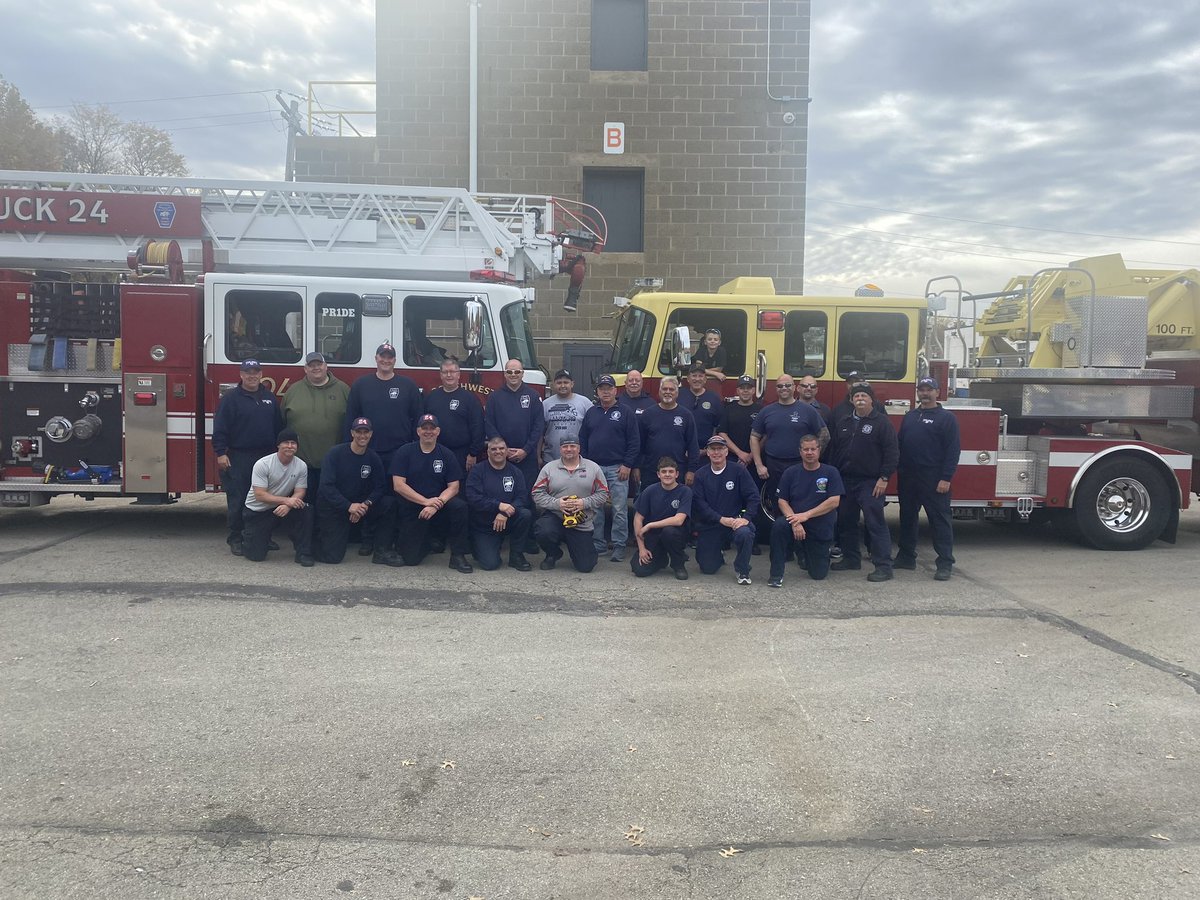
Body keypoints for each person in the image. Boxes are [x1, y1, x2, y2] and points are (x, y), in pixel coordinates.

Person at [212, 358, 284, 556]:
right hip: (239, 456)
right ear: (241, 375)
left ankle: (263, 536)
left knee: (265, 500)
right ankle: (236, 538)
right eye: (248, 372)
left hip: (266, 457)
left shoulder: (269, 397)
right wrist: (220, 453)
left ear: (261, 374)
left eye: (256, 372)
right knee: (238, 499)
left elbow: (279, 428)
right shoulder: (231, 398)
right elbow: (220, 429)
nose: (252, 376)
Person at [830, 383, 899, 582]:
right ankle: (851, 559)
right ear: (851, 400)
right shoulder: (843, 421)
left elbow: (892, 452)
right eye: (856, 395)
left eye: (864, 395)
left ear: (871, 400)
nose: (860, 398)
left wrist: (884, 478)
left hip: (871, 482)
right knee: (846, 522)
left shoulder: (882, 423)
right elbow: (835, 450)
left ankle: (884, 566)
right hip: (845, 480)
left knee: (874, 523)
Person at [895, 376, 961, 581]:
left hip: (934, 479)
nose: (924, 393)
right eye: (921, 389)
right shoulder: (910, 416)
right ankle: (906, 557)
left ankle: (944, 563)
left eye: (929, 390)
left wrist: (946, 478)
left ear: (937, 393)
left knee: (939, 521)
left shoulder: (946, 418)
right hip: (908, 477)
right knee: (907, 518)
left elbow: (952, 450)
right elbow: (900, 444)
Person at [390, 413, 473, 572]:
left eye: (432, 428)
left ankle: (457, 556)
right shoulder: (405, 452)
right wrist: (424, 502)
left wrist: (437, 503)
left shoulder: (446, 454)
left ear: (438, 431)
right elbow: (398, 485)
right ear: (418, 431)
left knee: (460, 507)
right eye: (424, 428)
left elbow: (454, 486)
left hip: (438, 505)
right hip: (413, 506)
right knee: (411, 559)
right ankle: (426, 541)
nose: (428, 431)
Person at [316, 417, 401, 567]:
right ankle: (304, 544)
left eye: (366, 432)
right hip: (335, 507)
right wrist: (348, 506)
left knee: (389, 503)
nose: (362, 435)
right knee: (333, 557)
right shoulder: (335, 453)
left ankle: (381, 551)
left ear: (371, 434)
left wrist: (365, 504)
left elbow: (380, 487)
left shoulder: (373, 457)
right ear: (352, 433)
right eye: (359, 432)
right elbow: (326, 486)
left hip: (360, 506)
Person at [768, 434, 844, 587]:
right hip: (795, 522)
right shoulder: (790, 472)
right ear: (800, 452)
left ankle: (811, 552)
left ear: (819, 450)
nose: (809, 452)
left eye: (813, 449)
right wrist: (795, 521)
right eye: (806, 449)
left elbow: (834, 501)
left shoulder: (830, 472)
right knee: (779, 526)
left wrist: (805, 515)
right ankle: (776, 575)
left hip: (819, 524)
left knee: (818, 574)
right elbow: (782, 501)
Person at [579, 374, 640, 562]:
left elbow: (634, 441)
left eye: (609, 388)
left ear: (615, 390)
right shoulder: (591, 412)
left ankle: (619, 545)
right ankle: (598, 545)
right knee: (595, 509)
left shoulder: (626, 411)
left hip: (618, 469)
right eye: (601, 388)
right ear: (597, 392)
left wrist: (628, 464)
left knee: (619, 509)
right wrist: (586, 465)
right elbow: (583, 440)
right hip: (594, 469)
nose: (605, 391)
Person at [281, 351, 350, 515]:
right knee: (303, 504)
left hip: (334, 464)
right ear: (305, 369)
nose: (316, 368)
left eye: (319, 364)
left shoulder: (343, 389)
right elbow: (282, 423)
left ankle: (325, 537)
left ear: (326, 366)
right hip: (301, 463)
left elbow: (351, 424)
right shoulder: (293, 391)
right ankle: (305, 538)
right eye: (311, 365)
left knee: (330, 504)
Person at [531, 432, 610, 572]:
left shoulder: (593, 468)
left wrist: (583, 503)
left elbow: (604, 493)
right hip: (555, 517)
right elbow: (536, 493)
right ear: (560, 449)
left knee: (586, 566)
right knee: (543, 529)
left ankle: (577, 550)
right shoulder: (549, 468)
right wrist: (557, 504)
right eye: (565, 446)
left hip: (581, 521)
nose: (569, 449)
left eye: (572, 446)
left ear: (579, 448)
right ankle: (553, 553)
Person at [750, 374, 829, 504]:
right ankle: (779, 524)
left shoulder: (808, 410)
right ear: (776, 389)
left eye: (787, 385)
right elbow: (754, 436)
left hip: (800, 464)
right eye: (780, 386)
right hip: (774, 465)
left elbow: (825, 435)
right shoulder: (766, 411)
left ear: (794, 387)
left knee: (801, 500)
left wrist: (813, 458)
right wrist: (759, 465)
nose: (784, 388)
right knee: (777, 501)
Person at [241, 428, 314, 566]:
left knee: (306, 510)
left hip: (281, 507)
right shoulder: (263, 464)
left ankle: (303, 553)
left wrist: (288, 505)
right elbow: (260, 495)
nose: (290, 446)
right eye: (286, 442)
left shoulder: (301, 465)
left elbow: (300, 491)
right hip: (258, 510)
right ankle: (251, 538)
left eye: (293, 443)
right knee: (255, 556)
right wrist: (287, 500)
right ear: (278, 445)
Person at [690, 435, 759, 584]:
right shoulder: (701, 475)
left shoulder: (738, 471)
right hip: (711, 523)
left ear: (726, 452)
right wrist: (720, 519)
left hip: (734, 522)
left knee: (745, 533)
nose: (716, 453)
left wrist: (745, 518)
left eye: (720, 449)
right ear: (707, 452)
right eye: (712, 449)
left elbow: (753, 496)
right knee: (707, 568)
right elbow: (700, 504)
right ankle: (717, 555)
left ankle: (742, 569)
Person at [344, 342, 423, 469]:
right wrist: (349, 447)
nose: (386, 360)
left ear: (395, 360)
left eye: (389, 357)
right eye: (382, 357)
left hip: (400, 450)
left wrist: (416, 447)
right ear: (376, 358)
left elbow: (418, 418)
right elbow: (351, 417)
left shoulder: (408, 385)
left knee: (396, 487)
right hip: (367, 449)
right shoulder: (361, 384)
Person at [484, 359, 545, 516]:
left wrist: (525, 450)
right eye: (509, 372)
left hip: (527, 456)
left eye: (517, 372)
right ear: (504, 374)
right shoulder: (494, 397)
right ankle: (502, 530)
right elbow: (489, 424)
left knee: (527, 494)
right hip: (502, 457)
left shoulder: (533, 395)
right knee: (502, 492)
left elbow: (538, 426)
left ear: (522, 373)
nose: (513, 375)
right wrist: (503, 450)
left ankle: (529, 536)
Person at [464, 436, 534, 571]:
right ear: (488, 452)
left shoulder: (515, 472)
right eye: (494, 449)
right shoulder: (478, 471)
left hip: (507, 518)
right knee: (490, 564)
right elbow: (473, 498)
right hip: (484, 525)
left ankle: (516, 556)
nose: (498, 452)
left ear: (507, 451)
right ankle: (480, 546)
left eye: (501, 448)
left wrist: (504, 512)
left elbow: (522, 497)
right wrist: (498, 505)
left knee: (525, 514)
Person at [631, 457, 692, 580]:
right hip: (653, 537)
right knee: (639, 570)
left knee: (669, 532)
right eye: (664, 472)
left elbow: (679, 520)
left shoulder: (685, 491)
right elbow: (638, 518)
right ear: (658, 474)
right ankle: (660, 559)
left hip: (675, 535)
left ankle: (678, 564)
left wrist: (650, 525)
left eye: (671, 471)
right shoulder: (650, 491)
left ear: (677, 474)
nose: (667, 475)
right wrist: (642, 548)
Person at [423, 356, 485, 474]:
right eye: (445, 372)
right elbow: (422, 425)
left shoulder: (469, 399)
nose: (449, 375)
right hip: (435, 451)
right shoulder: (431, 397)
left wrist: (473, 453)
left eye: (452, 371)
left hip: (462, 454)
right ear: (440, 375)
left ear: (459, 374)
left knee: (460, 488)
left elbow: (478, 428)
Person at [637, 376, 698, 487]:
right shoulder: (648, 414)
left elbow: (693, 446)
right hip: (651, 471)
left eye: (671, 389)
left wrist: (691, 470)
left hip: (677, 471)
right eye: (665, 389)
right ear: (659, 392)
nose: (668, 392)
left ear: (677, 393)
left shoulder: (686, 415)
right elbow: (639, 444)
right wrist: (636, 467)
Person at [542, 368, 593, 465]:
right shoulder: (545, 404)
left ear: (572, 384)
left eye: (566, 382)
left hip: (578, 460)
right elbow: (540, 433)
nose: (562, 385)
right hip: (551, 460)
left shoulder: (585, 403)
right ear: (553, 384)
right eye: (559, 382)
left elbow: (593, 430)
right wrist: (538, 456)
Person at [717, 375, 762, 470]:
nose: (745, 391)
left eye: (748, 388)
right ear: (737, 391)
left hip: (755, 460)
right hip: (732, 458)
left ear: (753, 390)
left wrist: (751, 455)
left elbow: (765, 436)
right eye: (742, 388)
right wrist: (739, 453)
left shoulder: (761, 410)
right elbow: (722, 433)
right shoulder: (728, 409)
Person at [678, 362, 723, 447]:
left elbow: (717, 426)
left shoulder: (714, 398)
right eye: (694, 376)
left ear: (705, 379)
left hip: (706, 450)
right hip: (681, 449)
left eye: (700, 376)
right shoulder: (679, 395)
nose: (697, 379)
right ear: (688, 378)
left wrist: (708, 448)